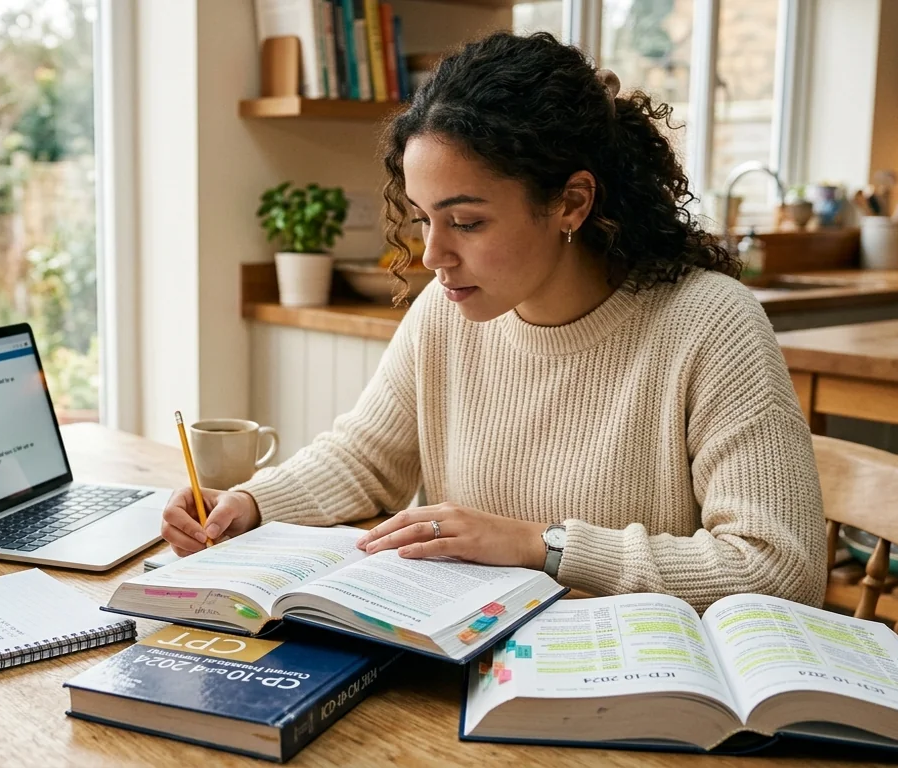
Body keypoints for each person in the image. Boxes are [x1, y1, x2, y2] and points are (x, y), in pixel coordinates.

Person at [161, 32, 825, 611]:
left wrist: (542, 545)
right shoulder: (449, 313)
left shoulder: (710, 324)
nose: (432, 256)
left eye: (467, 222)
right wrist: (248, 504)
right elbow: (363, 459)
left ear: (572, 202)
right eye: (424, 218)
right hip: (473, 666)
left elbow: (779, 568)